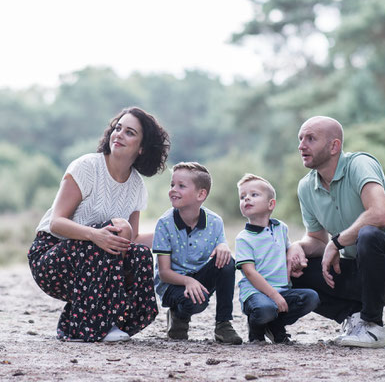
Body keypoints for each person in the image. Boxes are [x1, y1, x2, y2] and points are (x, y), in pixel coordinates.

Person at [28, 106, 170, 343]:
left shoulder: (137, 186)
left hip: (95, 258)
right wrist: (96, 235)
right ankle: (96, 325)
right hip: (51, 256)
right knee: (107, 236)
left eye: (130, 132)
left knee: (140, 254)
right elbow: (56, 223)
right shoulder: (86, 167)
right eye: (118, 128)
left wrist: (170, 236)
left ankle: (102, 321)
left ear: (142, 147)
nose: (119, 135)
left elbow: (130, 240)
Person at [288, 116, 385, 348]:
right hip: (360, 275)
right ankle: (354, 317)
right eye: (300, 139)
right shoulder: (305, 187)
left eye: (311, 139)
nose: (302, 145)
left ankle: (373, 327)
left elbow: (380, 214)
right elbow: (317, 241)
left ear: (334, 146)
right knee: (293, 269)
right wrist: (295, 247)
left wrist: (337, 242)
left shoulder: (359, 164)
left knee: (368, 234)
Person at [152, 162, 243, 344]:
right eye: (172, 185)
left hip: (199, 280)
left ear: (201, 194)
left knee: (228, 262)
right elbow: (164, 273)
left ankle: (223, 324)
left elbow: (221, 250)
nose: (173, 190)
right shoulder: (164, 224)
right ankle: (179, 316)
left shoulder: (215, 222)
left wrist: (223, 246)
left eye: (181, 186)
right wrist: (188, 281)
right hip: (172, 284)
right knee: (195, 303)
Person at [235, 174, 319, 343]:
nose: (247, 199)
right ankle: (256, 329)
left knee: (311, 298)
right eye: (243, 197)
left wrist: (294, 259)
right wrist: (274, 295)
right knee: (266, 309)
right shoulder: (243, 238)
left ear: (270, 204)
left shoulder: (281, 228)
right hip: (255, 293)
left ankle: (275, 325)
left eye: (254, 195)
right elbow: (250, 273)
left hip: (282, 289)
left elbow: (288, 250)